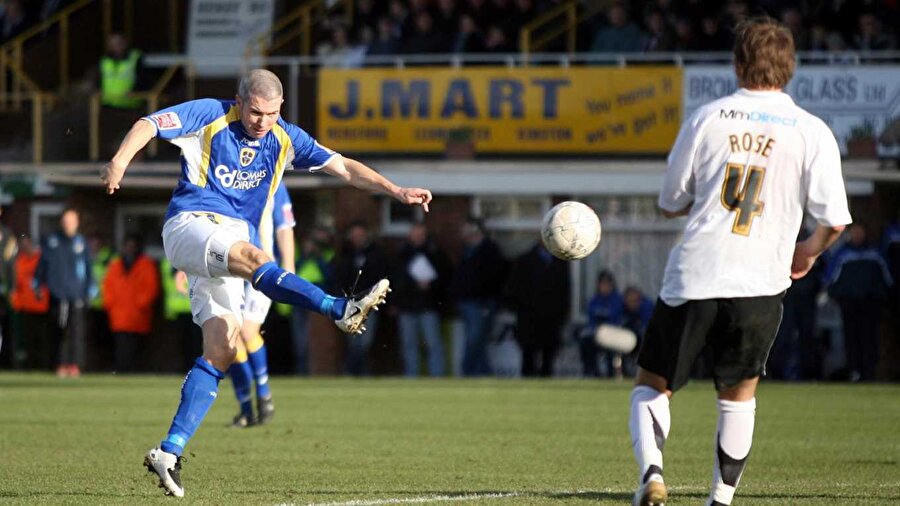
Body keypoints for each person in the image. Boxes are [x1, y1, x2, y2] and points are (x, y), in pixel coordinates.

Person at [100, 68, 431, 498]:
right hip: (190, 225)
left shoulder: (285, 137)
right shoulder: (208, 115)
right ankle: (340, 309)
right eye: (255, 112)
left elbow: (344, 166)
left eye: (272, 113)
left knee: (224, 347)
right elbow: (148, 124)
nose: (262, 121)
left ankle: (169, 451)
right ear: (239, 102)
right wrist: (119, 162)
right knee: (257, 257)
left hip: (227, 242)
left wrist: (396, 190)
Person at [627, 18, 851, 506]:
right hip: (761, 278)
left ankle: (652, 474)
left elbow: (669, 201)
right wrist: (807, 252)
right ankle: (721, 499)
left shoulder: (708, 118)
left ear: (736, 64)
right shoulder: (812, 132)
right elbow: (834, 220)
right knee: (738, 395)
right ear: (790, 69)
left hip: (696, 272)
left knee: (653, 384)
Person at [229, 183, 295, 427]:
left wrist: (289, 268)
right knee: (230, 341)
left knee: (248, 331)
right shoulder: (226, 174)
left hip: (262, 269)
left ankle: (264, 394)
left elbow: (284, 227)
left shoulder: (274, 181)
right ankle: (246, 410)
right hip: (229, 268)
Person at [825, 223, 892, 382]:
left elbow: (887, 279)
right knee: (852, 338)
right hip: (849, 303)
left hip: (870, 303)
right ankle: (855, 372)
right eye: (854, 232)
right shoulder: (842, 254)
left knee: (869, 338)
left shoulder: (874, 253)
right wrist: (836, 295)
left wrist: (882, 296)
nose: (857, 235)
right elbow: (830, 278)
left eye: (859, 232)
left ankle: (869, 372)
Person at [34, 208, 93, 378]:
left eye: (71, 221)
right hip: (57, 293)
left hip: (76, 294)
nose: (68, 224)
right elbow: (42, 266)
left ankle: (75, 365)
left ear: (76, 223)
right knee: (58, 331)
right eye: (65, 221)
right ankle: (59, 363)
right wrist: (38, 283)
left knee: (76, 332)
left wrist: (90, 288)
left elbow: (88, 268)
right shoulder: (52, 242)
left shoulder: (81, 243)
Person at [393, 222, 452, 378]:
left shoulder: (435, 253)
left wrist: (431, 285)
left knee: (433, 344)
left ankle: (437, 376)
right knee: (409, 345)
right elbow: (395, 280)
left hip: (428, 305)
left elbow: (445, 278)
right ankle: (411, 376)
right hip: (407, 306)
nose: (418, 237)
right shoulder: (402, 254)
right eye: (415, 234)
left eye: (421, 234)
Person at [450, 217, 507, 377]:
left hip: (482, 303)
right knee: (476, 341)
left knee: (475, 340)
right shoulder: (467, 250)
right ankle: (483, 374)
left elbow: (494, 278)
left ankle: (468, 371)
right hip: (467, 302)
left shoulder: (489, 250)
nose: (464, 233)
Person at [332, 222, 389, 376]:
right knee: (352, 341)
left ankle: (360, 371)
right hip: (349, 304)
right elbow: (339, 277)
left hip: (369, 303)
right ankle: (352, 371)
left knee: (365, 342)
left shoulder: (375, 253)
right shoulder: (345, 254)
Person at [507, 241, 570, 377]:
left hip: (551, 319)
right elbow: (515, 290)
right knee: (528, 357)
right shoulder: (524, 261)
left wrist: (562, 314)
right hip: (529, 318)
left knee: (548, 359)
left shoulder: (560, 262)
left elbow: (564, 291)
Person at [102, 235, 160, 372]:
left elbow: (151, 288)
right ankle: (122, 370)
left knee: (136, 348)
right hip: (119, 314)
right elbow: (107, 286)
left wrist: (141, 304)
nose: (129, 249)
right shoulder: (116, 265)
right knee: (121, 346)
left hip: (138, 315)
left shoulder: (146, 265)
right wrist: (110, 305)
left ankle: (133, 371)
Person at [292, 226, 335, 375]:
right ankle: (301, 371)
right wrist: (307, 256)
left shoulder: (329, 255)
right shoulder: (301, 257)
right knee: (300, 340)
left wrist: (317, 257)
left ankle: (314, 371)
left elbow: (329, 275)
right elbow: (292, 271)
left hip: (319, 300)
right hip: (298, 299)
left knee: (315, 340)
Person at [9, 234, 49, 370]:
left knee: (42, 340)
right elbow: (17, 285)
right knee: (27, 341)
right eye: (22, 244)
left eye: (27, 243)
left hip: (42, 307)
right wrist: (16, 303)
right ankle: (28, 366)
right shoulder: (19, 262)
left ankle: (43, 365)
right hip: (26, 308)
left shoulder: (42, 259)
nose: (24, 246)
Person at [580, 270, 624, 378]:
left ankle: (611, 374)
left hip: (613, 334)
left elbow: (617, 319)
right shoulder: (594, 300)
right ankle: (591, 372)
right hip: (597, 333)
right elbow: (591, 321)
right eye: (602, 284)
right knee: (585, 341)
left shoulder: (617, 300)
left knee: (610, 348)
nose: (605, 287)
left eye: (607, 284)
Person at [99, 33, 145, 108]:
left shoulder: (135, 57)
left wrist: (136, 90)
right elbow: (99, 77)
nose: (116, 47)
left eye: (119, 43)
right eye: (113, 44)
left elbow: (143, 77)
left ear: (125, 43)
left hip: (130, 103)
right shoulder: (105, 60)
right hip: (108, 102)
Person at [621, 286, 653, 378]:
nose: (632, 303)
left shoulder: (646, 308)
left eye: (634, 300)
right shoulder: (622, 308)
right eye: (629, 300)